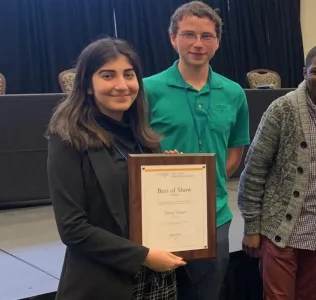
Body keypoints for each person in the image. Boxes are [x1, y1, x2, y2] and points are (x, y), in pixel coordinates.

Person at [47, 38, 187, 300]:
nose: (122, 86)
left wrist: (170, 175)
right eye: (108, 76)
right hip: (103, 282)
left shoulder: (145, 138)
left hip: (156, 277)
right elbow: (73, 228)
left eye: (129, 75)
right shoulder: (68, 139)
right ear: (88, 85)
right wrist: (143, 256)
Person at [237, 44, 316, 300]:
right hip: (281, 230)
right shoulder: (282, 110)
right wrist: (251, 227)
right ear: (304, 72)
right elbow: (253, 170)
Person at [143, 2, 250, 299]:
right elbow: (132, 149)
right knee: (158, 293)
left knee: (206, 293)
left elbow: (235, 152)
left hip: (214, 216)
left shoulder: (234, 93)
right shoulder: (147, 89)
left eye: (207, 36)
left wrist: (202, 185)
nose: (198, 44)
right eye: (189, 34)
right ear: (173, 38)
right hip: (160, 214)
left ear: (218, 41)